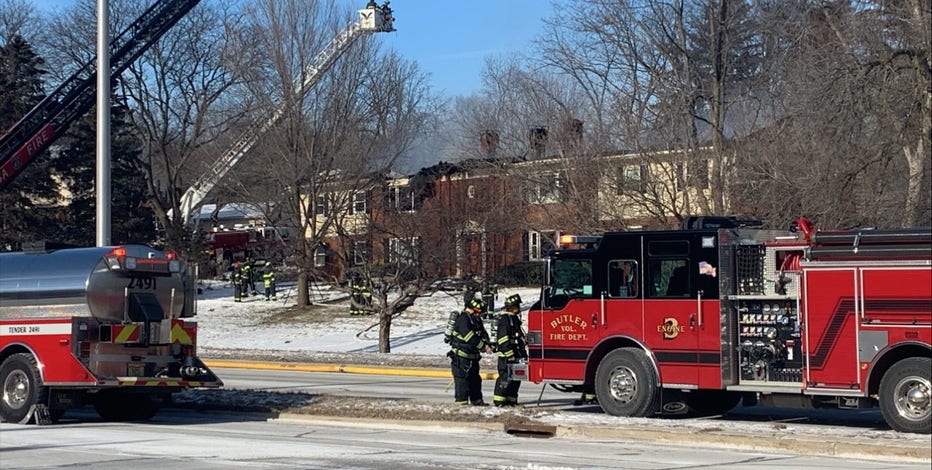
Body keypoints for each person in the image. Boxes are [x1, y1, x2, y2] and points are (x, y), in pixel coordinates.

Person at [447, 297, 492, 406]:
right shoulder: (463, 319)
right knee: (462, 380)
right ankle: (461, 403)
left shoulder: (475, 319)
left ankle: (477, 401)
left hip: (473, 357)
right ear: (471, 309)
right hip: (461, 357)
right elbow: (469, 336)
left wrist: (488, 343)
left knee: (475, 379)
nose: (479, 314)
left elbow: (482, 333)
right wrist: (483, 347)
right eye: (477, 311)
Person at [493, 294, 527, 407]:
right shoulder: (505, 320)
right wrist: (510, 354)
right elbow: (503, 339)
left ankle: (511, 401)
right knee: (505, 378)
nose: (519, 308)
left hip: (517, 354)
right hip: (507, 357)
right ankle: (499, 401)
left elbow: (519, 338)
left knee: (516, 379)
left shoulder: (514, 319)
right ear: (511, 307)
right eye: (517, 306)